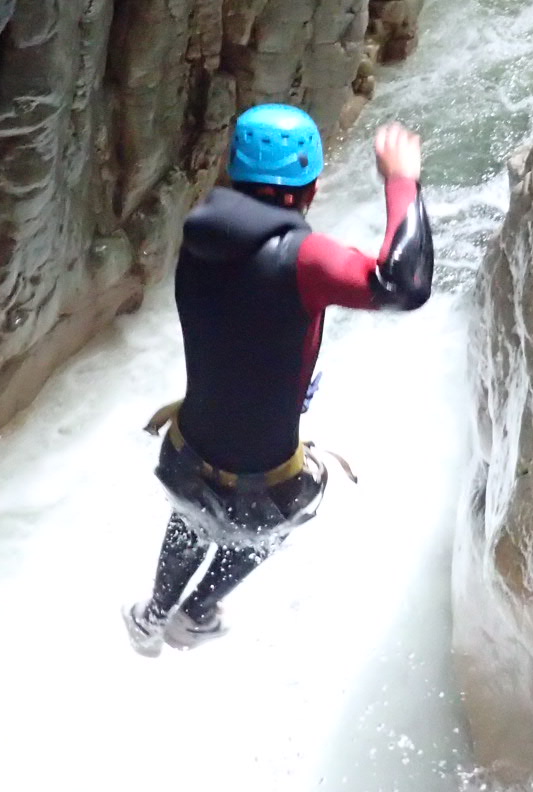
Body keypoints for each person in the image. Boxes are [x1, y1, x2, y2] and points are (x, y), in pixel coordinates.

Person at [124, 104, 434, 654]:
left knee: (193, 512)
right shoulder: (303, 259)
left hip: (185, 450)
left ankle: (153, 614)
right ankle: (195, 614)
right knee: (266, 524)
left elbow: (247, 321)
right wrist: (402, 181)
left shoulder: (199, 234)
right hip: (264, 482)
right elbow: (403, 283)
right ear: (309, 186)